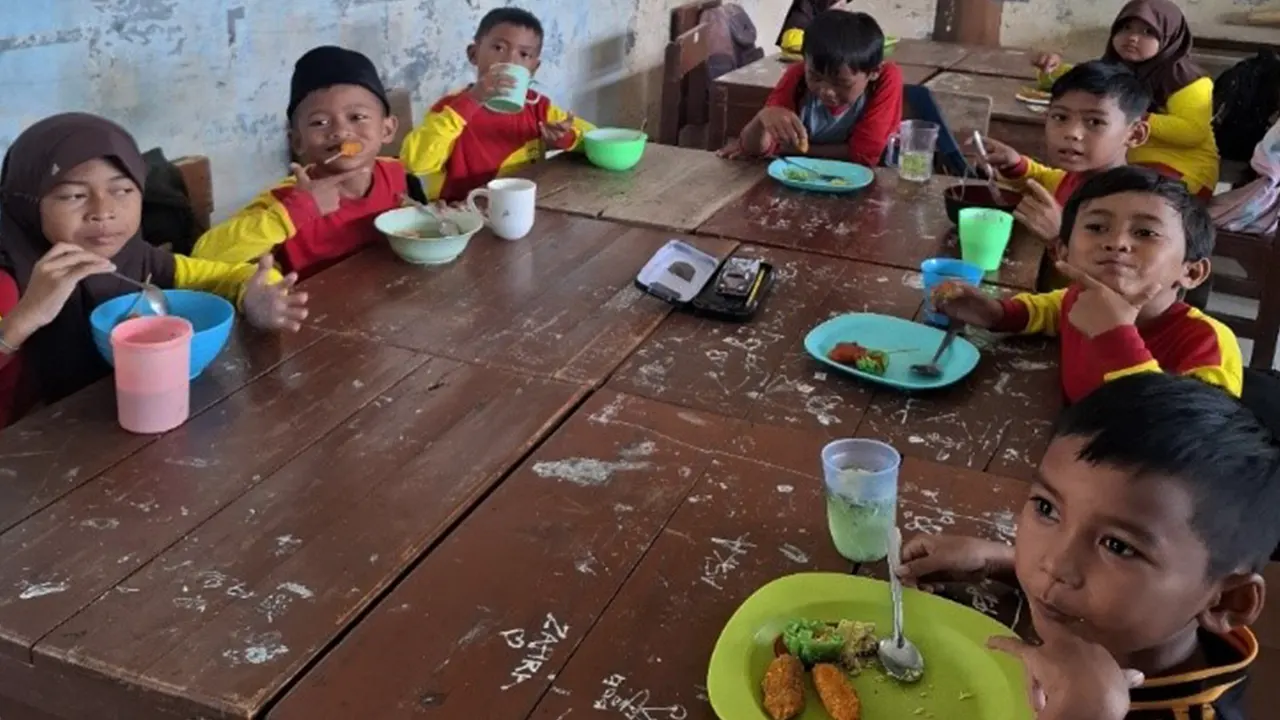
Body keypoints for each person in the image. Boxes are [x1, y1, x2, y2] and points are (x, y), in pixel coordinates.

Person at [897, 373, 1279, 720]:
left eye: (1118, 546)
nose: (1054, 565)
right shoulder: (1129, 619)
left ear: (1226, 602)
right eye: (1047, 509)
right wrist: (1001, 560)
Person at [0, 113, 308, 419]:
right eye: (73, 195)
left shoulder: (139, 259)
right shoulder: (9, 278)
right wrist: (23, 320)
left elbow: (227, 275)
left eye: (122, 190)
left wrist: (254, 297)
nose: (103, 211)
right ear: (26, 202)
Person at [933, 166, 1242, 402]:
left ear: (1192, 272)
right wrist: (998, 313)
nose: (1117, 243)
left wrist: (1116, 337)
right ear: (1062, 251)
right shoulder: (1080, 300)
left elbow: (1190, 441)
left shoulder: (1207, 342)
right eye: (1096, 227)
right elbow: (1052, 307)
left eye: (1146, 233)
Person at [192, 45, 408, 280]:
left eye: (357, 117)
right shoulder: (284, 200)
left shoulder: (393, 172)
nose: (341, 131)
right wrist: (294, 213)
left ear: (387, 129)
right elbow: (203, 256)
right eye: (319, 122)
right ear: (297, 141)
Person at [400, 7, 595, 203]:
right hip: (463, 216)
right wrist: (472, 100)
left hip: (524, 209)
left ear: (533, 69)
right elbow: (415, 163)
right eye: (499, 48)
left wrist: (565, 138)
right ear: (473, 54)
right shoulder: (451, 109)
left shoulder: (539, 108)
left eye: (524, 54)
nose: (510, 61)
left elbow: (597, 141)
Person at [1033, 0, 1218, 197]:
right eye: (1126, 28)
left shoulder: (1188, 82)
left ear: (1169, 37)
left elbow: (1192, 131)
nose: (1132, 38)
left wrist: (1133, 116)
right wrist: (1052, 70)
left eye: (1147, 32)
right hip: (1128, 162)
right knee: (1085, 184)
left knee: (1108, 193)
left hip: (1182, 171)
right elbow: (1084, 88)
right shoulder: (1118, 66)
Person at [978, 61, 1151, 244]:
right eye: (1060, 117)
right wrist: (1015, 165)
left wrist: (1059, 237)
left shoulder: (1136, 210)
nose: (1072, 133)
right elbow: (1047, 177)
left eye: (1095, 122)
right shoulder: (1072, 179)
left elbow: (1115, 270)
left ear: (1135, 134)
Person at [720, 10, 903, 166]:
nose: (826, 91)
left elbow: (864, 156)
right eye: (815, 77)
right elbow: (759, 149)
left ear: (873, 72)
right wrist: (761, 120)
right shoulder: (798, 76)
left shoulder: (884, 79)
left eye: (841, 83)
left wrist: (788, 149)